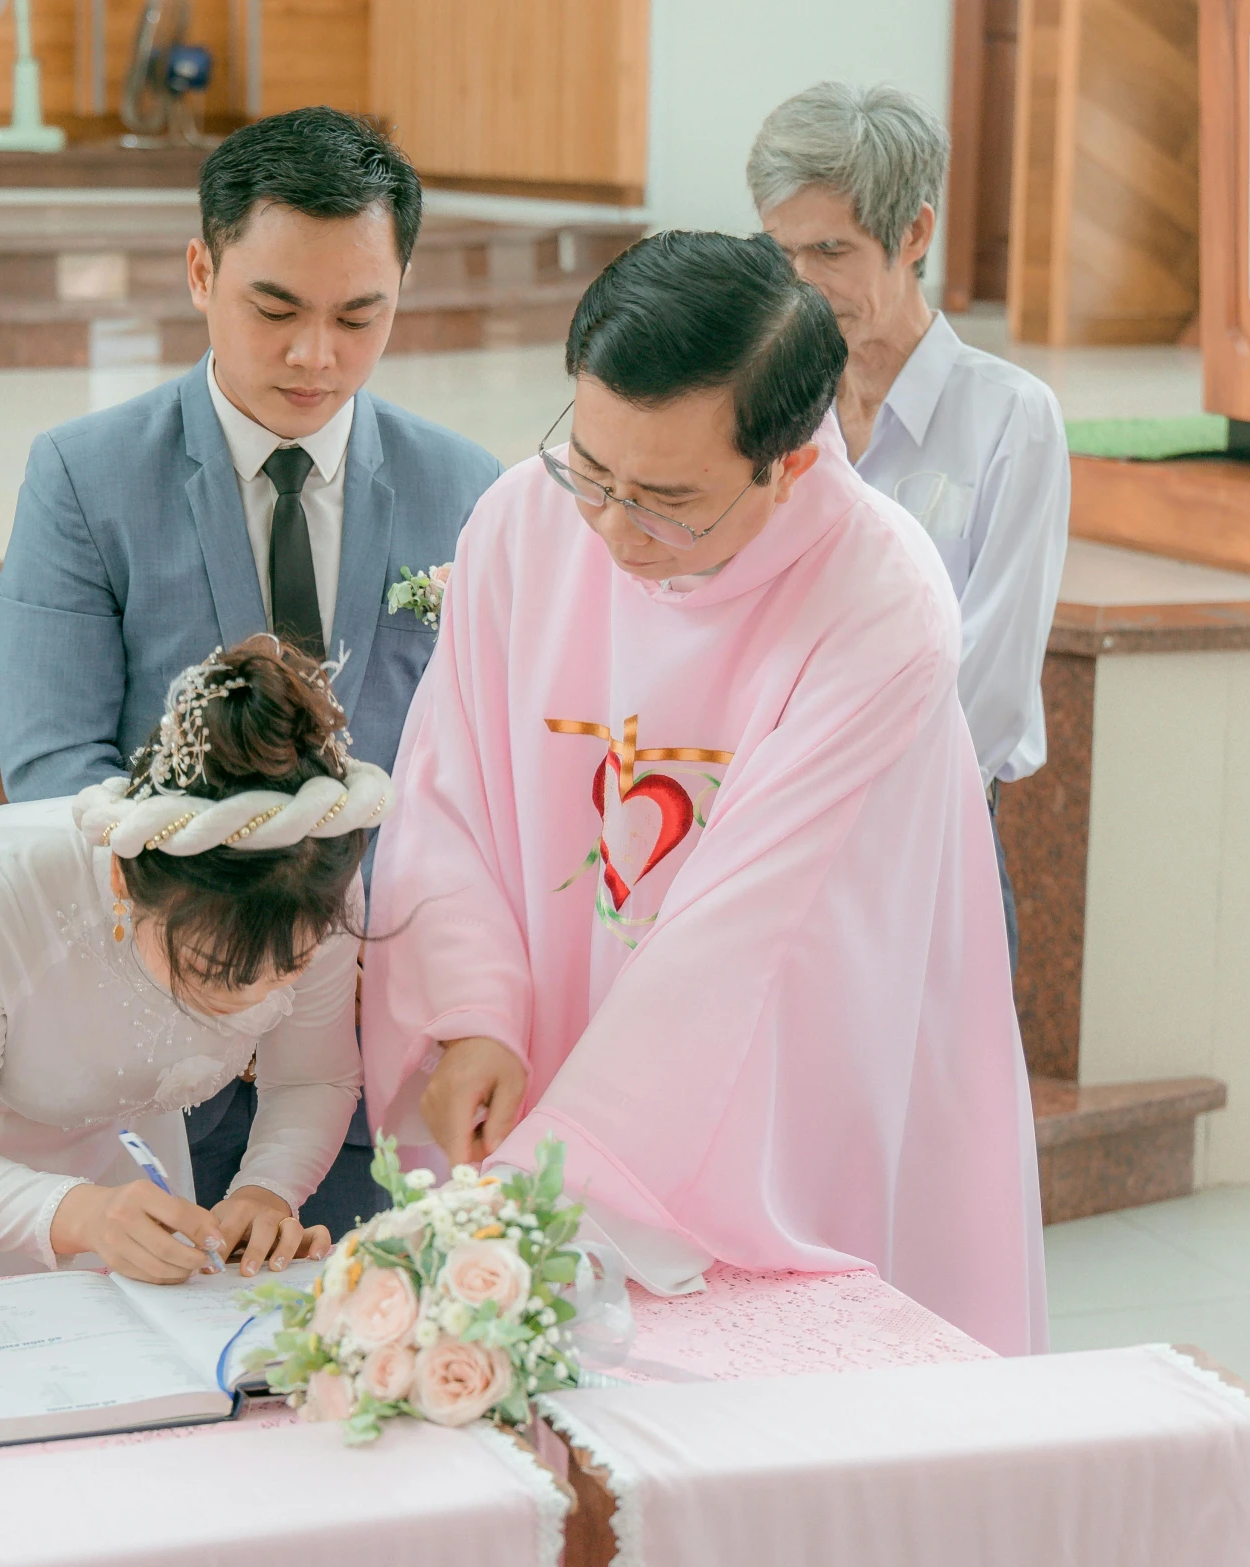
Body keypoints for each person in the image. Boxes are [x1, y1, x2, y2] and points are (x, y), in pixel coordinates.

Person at [360, 231, 1048, 1356]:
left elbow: (755, 938)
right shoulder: (527, 523)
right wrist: (474, 1013)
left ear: (791, 464)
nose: (616, 530)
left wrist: (566, 1174)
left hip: (770, 1083)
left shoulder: (877, 601)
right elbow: (450, 791)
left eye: (667, 500)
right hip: (542, 1049)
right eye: (591, 468)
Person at [0, 107, 501, 1235]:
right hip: (157, 1029)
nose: (314, 355)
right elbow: (53, 770)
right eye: (274, 308)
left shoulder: (467, 489)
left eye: (357, 316)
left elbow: (483, 774)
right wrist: (208, 954)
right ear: (199, 270)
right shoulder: (85, 477)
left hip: (379, 1030)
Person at [0, 639, 386, 1296]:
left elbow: (312, 1077)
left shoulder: (309, 876)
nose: (257, 996)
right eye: (216, 968)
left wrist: (266, 1192)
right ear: (126, 882)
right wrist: (87, 1215)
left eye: (289, 968)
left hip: (100, 1153)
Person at [749, 81, 1068, 971]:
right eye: (782, 253)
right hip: (781, 848)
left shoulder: (1011, 420)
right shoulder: (773, 407)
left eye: (831, 251)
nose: (803, 284)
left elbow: (991, 684)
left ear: (915, 234)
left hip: (935, 842)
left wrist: (845, 803)